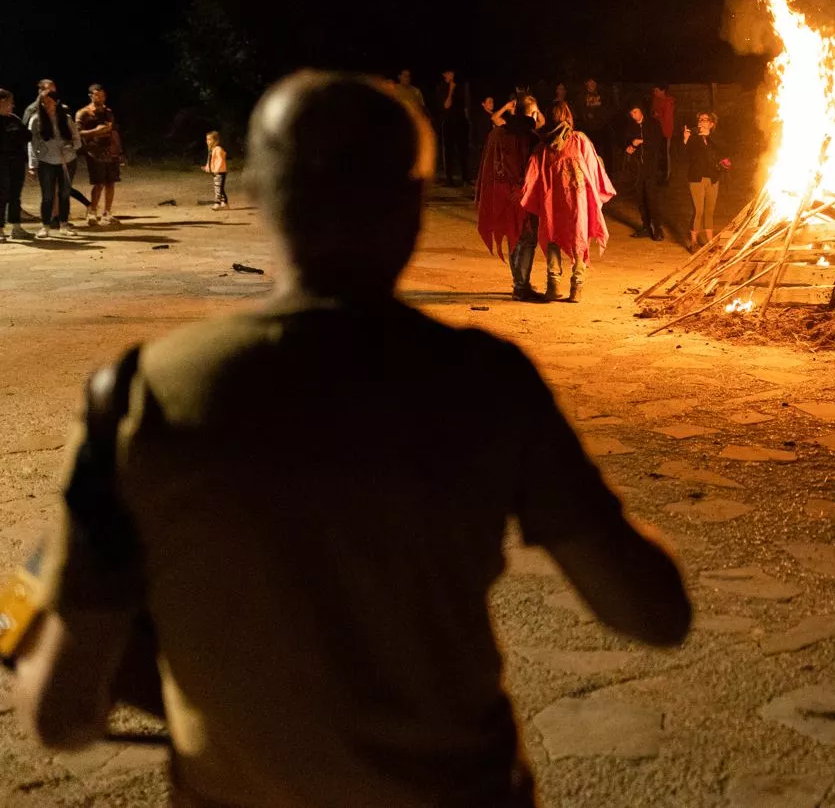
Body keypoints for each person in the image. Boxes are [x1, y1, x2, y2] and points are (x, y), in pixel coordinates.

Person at [13, 69, 692, 806]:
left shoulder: (140, 396)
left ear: (261, 200)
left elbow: (61, 715)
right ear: (411, 208)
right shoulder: (485, 383)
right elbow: (653, 611)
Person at [522, 101, 616, 302]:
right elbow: (594, 169)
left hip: (553, 202)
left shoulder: (543, 145)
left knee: (552, 237)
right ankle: (577, 287)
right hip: (577, 201)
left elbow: (532, 175)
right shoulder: (579, 140)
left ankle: (553, 285)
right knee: (579, 238)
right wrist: (595, 196)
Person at [476, 88, 545, 301]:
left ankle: (519, 282)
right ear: (528, 114)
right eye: (533, 112)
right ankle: (521, 286)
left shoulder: (498, 133)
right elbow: (531, 168)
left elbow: (491, 165)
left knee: (513, 234)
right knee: (527, 237)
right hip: (522, 194)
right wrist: (521, 188)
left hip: (504, 193)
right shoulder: (529, 137)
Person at [27, 86, 81, 239]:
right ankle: (45, 226)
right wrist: (33, 165)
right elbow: (32, 143)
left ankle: (64, 224)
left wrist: (71, 146)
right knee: (48, 195)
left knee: (64, 193)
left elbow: (77, 139)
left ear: (56, 102)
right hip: (46, 161)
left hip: (67, 160)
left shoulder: (66, 118)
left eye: (49, 102)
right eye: (43, 102)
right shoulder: (36, 119)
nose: (46, 105)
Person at [681, 111, 730, 250]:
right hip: (697, 178)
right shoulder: (693, 138)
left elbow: (725, 149)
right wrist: (685, 140)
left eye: (705, 119)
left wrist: (710, 137)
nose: (701, 121)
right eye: (700, 119)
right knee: (699, 211)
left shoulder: (715, 138)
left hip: (713, 178)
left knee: (710, 210)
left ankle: (710, 241)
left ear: (711, 123)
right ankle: (694, 242)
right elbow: (685, 157)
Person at [75, 83, 122, 226]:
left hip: (110, 151)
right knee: (99, 183)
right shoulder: (84, 113)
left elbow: (113, 131)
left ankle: (107, 212)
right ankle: (92, 212)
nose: (100, 98)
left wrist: (119, 150)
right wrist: (96, 132)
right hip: (94, 152)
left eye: (103, 95)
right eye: (97, 95)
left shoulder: (108, 112)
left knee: (111, 182)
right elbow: (77, 133)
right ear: (91, 96)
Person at [622, 102, 665, 240]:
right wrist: (630, 147)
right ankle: (646, 227)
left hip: (650, 167)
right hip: (637, 169)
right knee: (641, 199)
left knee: (652, 198)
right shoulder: (630, 127)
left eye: (635, 111)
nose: (633, 115)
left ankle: (657, 228)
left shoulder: (653, 124)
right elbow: (627, 143)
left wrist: (642, 142)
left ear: (641, 110)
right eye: (631, 113)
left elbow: (658, 142)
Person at [431, 69, 471, 187]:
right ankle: (449, 179)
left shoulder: (460, 87)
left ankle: (465, 178)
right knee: (448, 152)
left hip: (461, 122)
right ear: (444, 74)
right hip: (448, 122)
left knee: (463, 151)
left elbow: (465, 105)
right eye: (449, 73)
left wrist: (467, 121)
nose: (451, 75)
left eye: (452, 73)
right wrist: (450, 90)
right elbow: (446, 105)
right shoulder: (441, 87)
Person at [1, 89, 29, 241]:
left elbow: (27, 136)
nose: (12, 106)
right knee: (1, 195)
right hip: (2, 163)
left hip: (16, 162)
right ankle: (0, 229)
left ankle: (16, 227)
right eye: (10, 102)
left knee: (15, 195)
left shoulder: (14, 119)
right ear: (2, 101)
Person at [467, 91, 496, 186]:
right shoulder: (482, 117)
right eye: (489, 102)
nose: (491, 104)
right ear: (483, 104)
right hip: (484, 144)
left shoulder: (494, 115)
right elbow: (481, 132)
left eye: (492, 102)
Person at [650, 84, 675, 184]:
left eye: (656, 90)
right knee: (658, 155)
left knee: (665, 155)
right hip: (656, 132)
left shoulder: (668, 102)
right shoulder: (656, 100)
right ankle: (659, 175)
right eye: (654, 91)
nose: (654, 93)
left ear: (663, 90)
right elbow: (652, 113)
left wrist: (658, 116)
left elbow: (667, 119)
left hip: (665, 133)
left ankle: (666, 177)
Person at [204, 130, 229, 210]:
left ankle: (217, 203)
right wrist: (208, 167)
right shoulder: (211, 149)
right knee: (219, 187)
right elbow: (210, 160)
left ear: (215, 140)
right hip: (216, 172)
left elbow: (220, 160)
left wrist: (217, 169)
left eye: (209, 139)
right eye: (207, 139)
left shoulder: (218, 149)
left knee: (218, 188)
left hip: (220, 171)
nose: (207, 141)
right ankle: (224, 202)